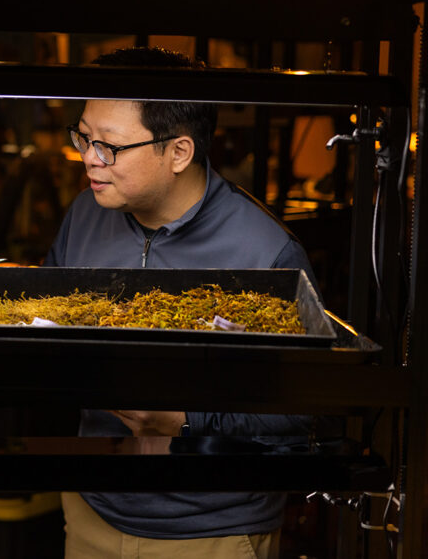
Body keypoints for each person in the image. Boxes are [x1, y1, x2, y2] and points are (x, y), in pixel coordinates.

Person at [47, 47, 320, 559]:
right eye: (84, 136)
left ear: (178, 152)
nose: (89, 157)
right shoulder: (85, 214)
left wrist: (184, 419)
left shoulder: (266, 253)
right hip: (92, 511)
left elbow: (301, 418)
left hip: (211, 530)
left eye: (110, 146)